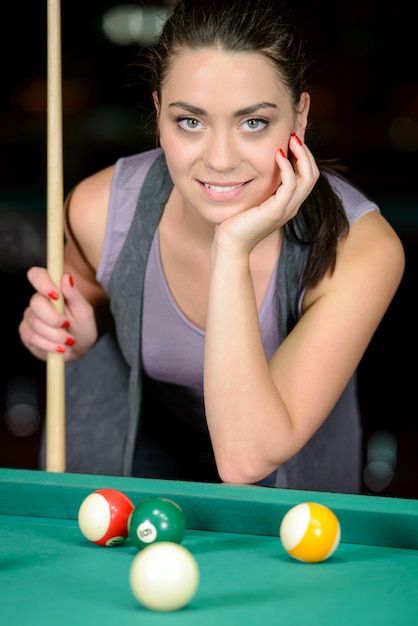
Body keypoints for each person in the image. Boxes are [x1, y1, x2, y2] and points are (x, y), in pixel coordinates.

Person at [18, 0, 404, 492]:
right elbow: (84, 299)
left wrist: (232, 247)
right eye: (191, 122)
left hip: (290, 517)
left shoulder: (362, 249)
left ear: (299, 117)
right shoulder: (96, 209)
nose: (220, 160)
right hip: (129, 486)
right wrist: (67, 327)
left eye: (253, 122)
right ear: (158, 114)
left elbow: (246, 460)